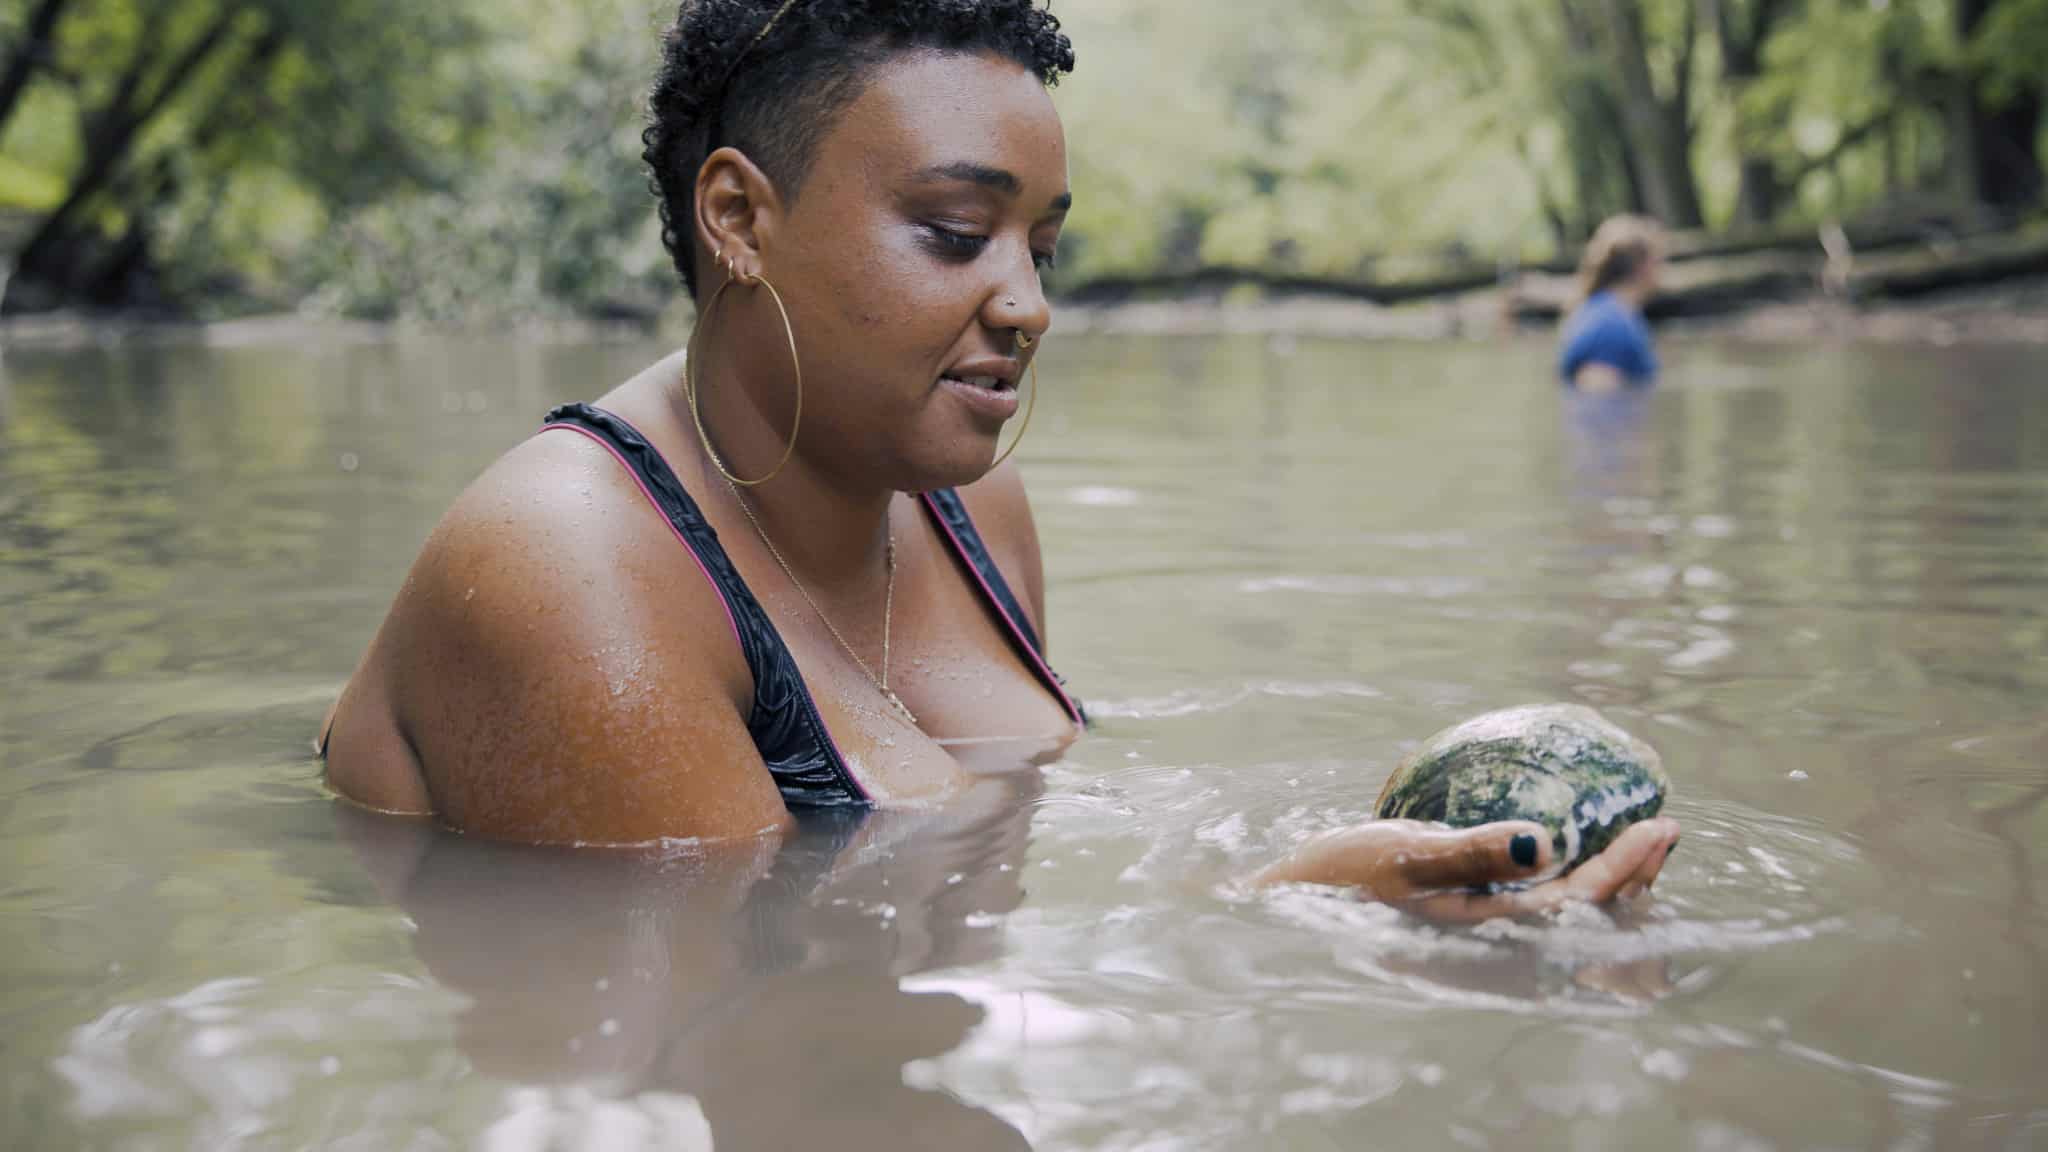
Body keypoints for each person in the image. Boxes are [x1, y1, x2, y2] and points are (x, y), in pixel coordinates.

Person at [319, 0, 1676, 917]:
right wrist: (1293, 912)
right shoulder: (571, 572)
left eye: (1047, 248)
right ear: (738, 214)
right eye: (960, 232)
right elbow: (757, 1003)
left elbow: (996, 915)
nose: (1028, 303)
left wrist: (1405, 886)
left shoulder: (971, 507)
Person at [1558, 215, 1665, 391]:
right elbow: (1598, 401)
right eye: (1659, 261)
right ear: (1643, 266)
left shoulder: (1599, 310)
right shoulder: (1612, 325)